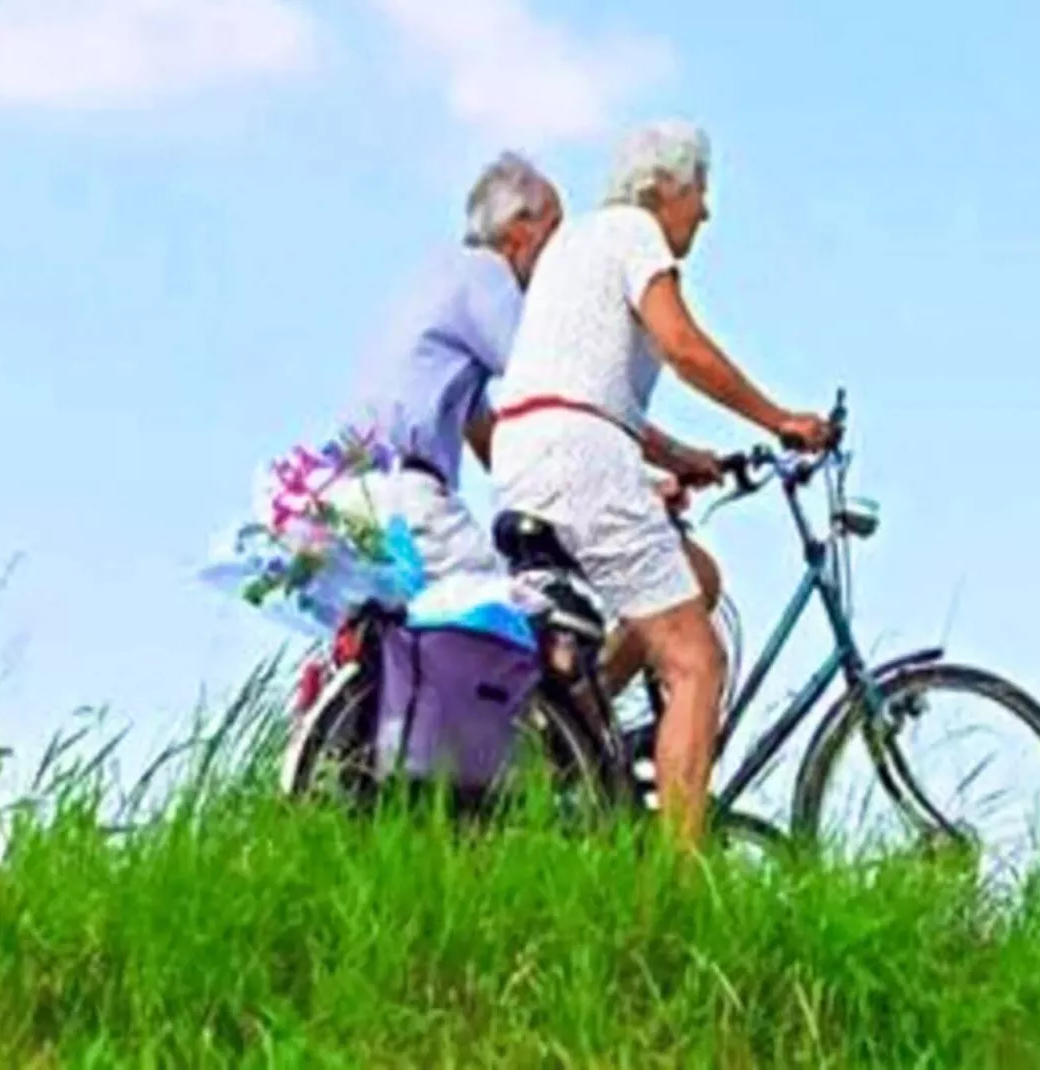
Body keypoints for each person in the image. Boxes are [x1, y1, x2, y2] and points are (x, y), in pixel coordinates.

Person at [487, 119, 834, 846]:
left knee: (696, 576)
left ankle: (574, 733)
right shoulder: (635, 231)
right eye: (700, 191)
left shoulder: (577, 243)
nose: (704, 211)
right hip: (578, 460)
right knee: (697, 662)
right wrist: (780, 420)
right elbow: (681, 345)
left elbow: (583, 386)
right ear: (665, 188)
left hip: (531, 453)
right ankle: (676, 890)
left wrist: (680, 459)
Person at [330, 152, 564, 585]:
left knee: (421, 644)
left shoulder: (440, 277)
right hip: (406, 498)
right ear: (518, 231)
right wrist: (639, 476)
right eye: (555, 229)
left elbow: (489, 439)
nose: (562, 250)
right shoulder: (488, 276)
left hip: (353, 499)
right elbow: (555, 388)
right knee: (521, 621)